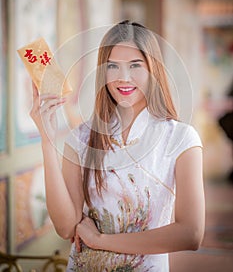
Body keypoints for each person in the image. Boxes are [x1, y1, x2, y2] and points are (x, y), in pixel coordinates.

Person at [30, 20, 205, 271]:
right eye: (113, 66)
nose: (123, 78)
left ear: (153, 70)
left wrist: (101, 240)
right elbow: (66, 226)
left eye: (135, 66)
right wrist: (47, 139)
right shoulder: (80, 138)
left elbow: (191, 234)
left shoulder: (181, 138)